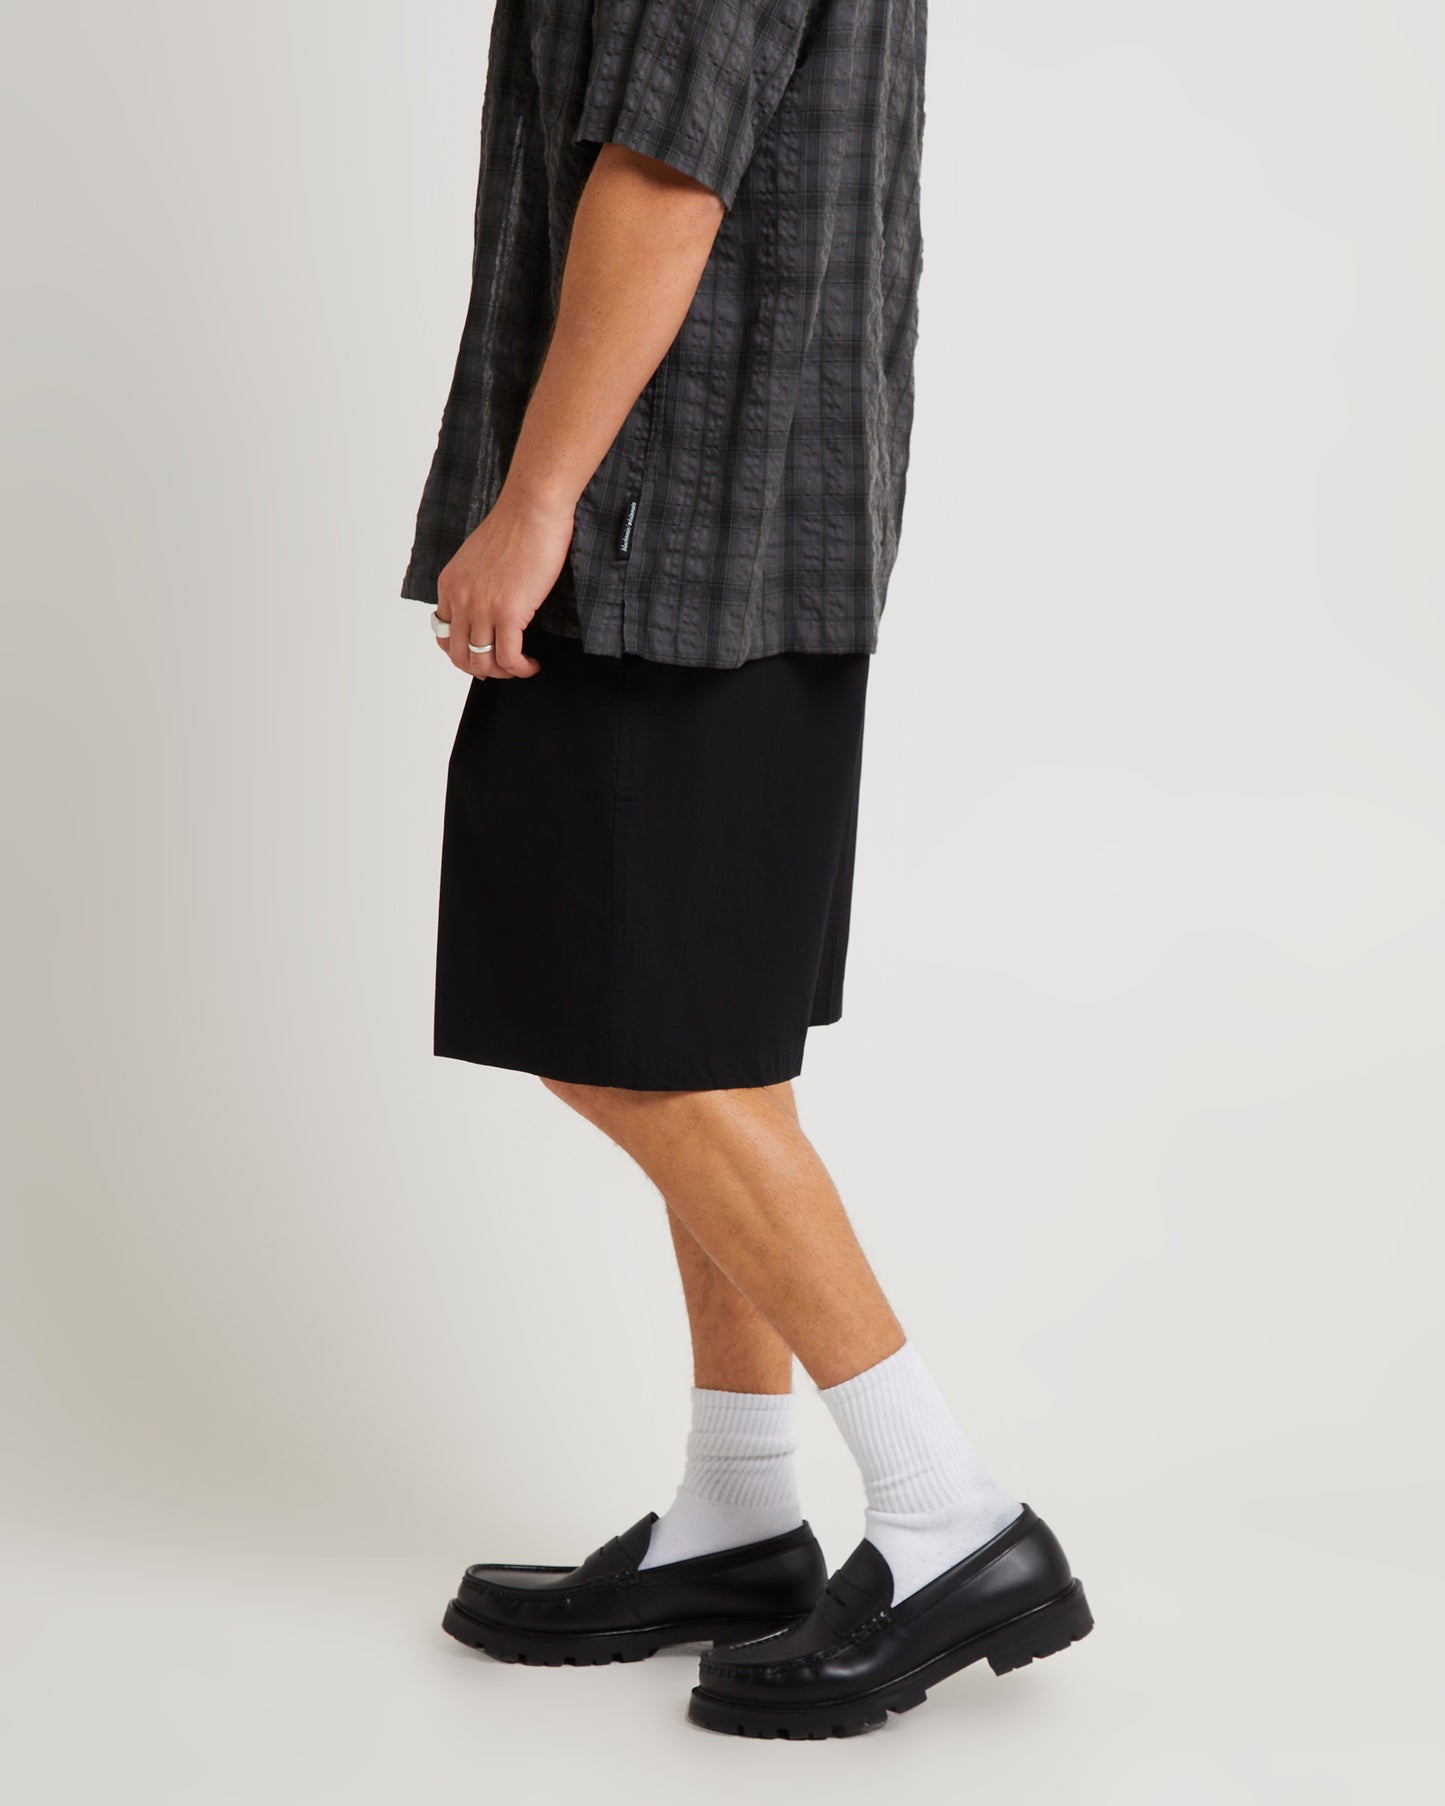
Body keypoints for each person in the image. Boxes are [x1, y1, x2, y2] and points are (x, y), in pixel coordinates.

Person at [401, 0, 1091, 1738]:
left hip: (665, 535)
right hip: (750, 520)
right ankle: (738, 1510)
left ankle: (948, 1509)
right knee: (699, 1042)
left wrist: (536, 499)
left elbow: (665, 174)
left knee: (627, 1039)